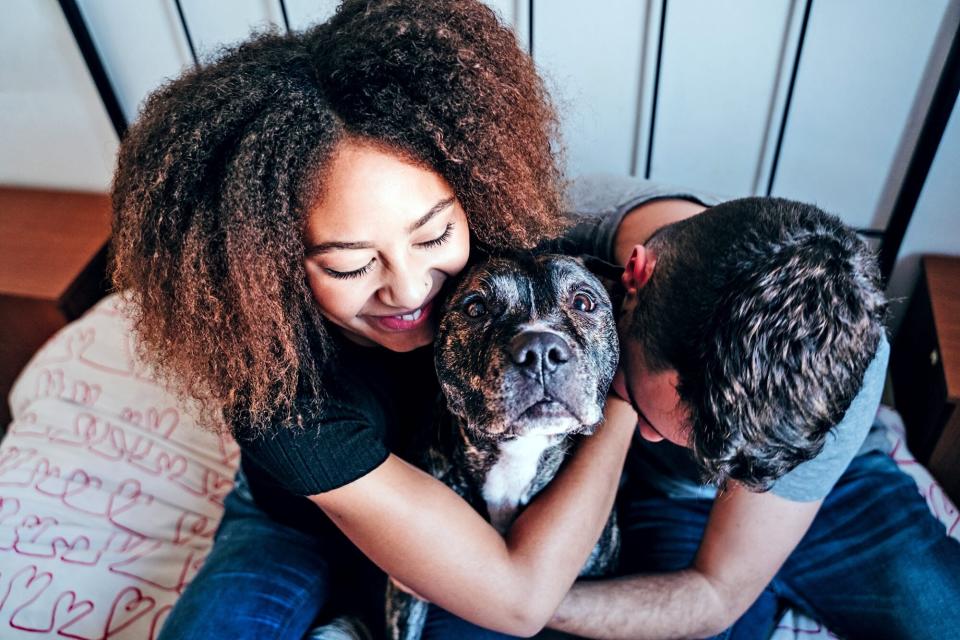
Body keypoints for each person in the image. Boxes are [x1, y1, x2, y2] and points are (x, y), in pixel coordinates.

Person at [110, 2, 637, 638]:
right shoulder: (280, 400)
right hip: (296, 522)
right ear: (268, 264)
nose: (412, 289)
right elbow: (518, 601)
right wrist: (624, 400)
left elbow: (642, 225)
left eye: (434, 233)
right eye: (352, 265)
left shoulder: (507, 253)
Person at [540, 176, 960, 639]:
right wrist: (522, 596)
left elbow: (721, 594)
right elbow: (711, 592)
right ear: (637, 275)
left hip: (837, 487)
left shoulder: (848, 346)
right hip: (673, 498)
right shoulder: (552, 224)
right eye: (638, 406)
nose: (650, 434)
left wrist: (529, 601)